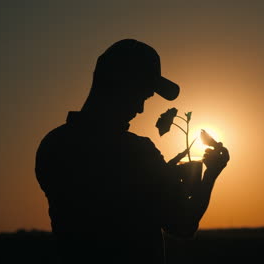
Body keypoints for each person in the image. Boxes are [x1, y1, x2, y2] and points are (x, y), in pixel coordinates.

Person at [35, 39, 229, 263]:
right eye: (141, 95)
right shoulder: (136, 152)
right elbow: (183, 224)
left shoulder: (54, 144)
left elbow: (112, 198)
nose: (140, 108)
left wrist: (159, 177)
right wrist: (210, 174)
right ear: (119, 85)